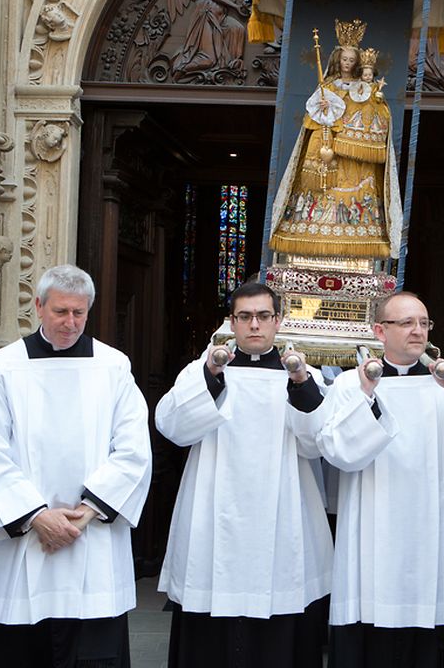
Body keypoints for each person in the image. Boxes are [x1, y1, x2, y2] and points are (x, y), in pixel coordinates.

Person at [0, 265, 152, 668]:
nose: (70, 322)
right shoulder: (5, 366)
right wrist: (37, 516)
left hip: (90, 534)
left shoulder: (113, 366)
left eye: (79, 313)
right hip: (25, 537)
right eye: (61, 312)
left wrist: (87, 513)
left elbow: (133, 449)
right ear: (39, 306)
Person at [157, 281, 333, 667]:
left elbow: (318, 442)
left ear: (278, 321)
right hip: (211, 514)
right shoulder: (203, 368)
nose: (255, 325)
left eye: (264, 316)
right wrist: (211, 377)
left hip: (283, 513)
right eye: (245, 317)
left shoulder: (304, 375)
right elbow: (172, 426)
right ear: (232, 322)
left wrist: (301, 386)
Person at [314, 291, 444, 667]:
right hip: (373, 529)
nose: (418, 332)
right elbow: (335, 450)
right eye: (407, 323)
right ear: (379, 331)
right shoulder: (351, 385)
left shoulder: (443, 384)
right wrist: (368, 399)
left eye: (423, 323)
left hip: (431, 528)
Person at [268, 19, 402, 260]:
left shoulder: (365, 89)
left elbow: (377, 114)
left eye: (352, 60)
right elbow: (315, 115)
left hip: (354, 153)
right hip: (328, 145)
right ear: (337, 59)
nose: (348, 64)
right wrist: (323, 106)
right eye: (345, 59)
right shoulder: (328, 84)